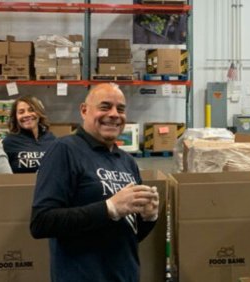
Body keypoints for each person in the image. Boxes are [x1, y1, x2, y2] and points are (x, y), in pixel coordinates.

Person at [30, 83, 159, 282]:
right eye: (105, 107)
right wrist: (109, 208)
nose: (115, 114)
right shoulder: (64, 151)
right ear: (84, 110)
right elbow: (41, 222)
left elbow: (129, 235)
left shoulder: (127, 161)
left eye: (121, 109)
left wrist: (148, 217)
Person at [3, 95, 56, 173]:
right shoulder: (9, 142)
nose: (27, 115)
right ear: (15, 117)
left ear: (39, 113)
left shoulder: (52, 140)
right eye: (21, 112)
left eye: (31, 110)